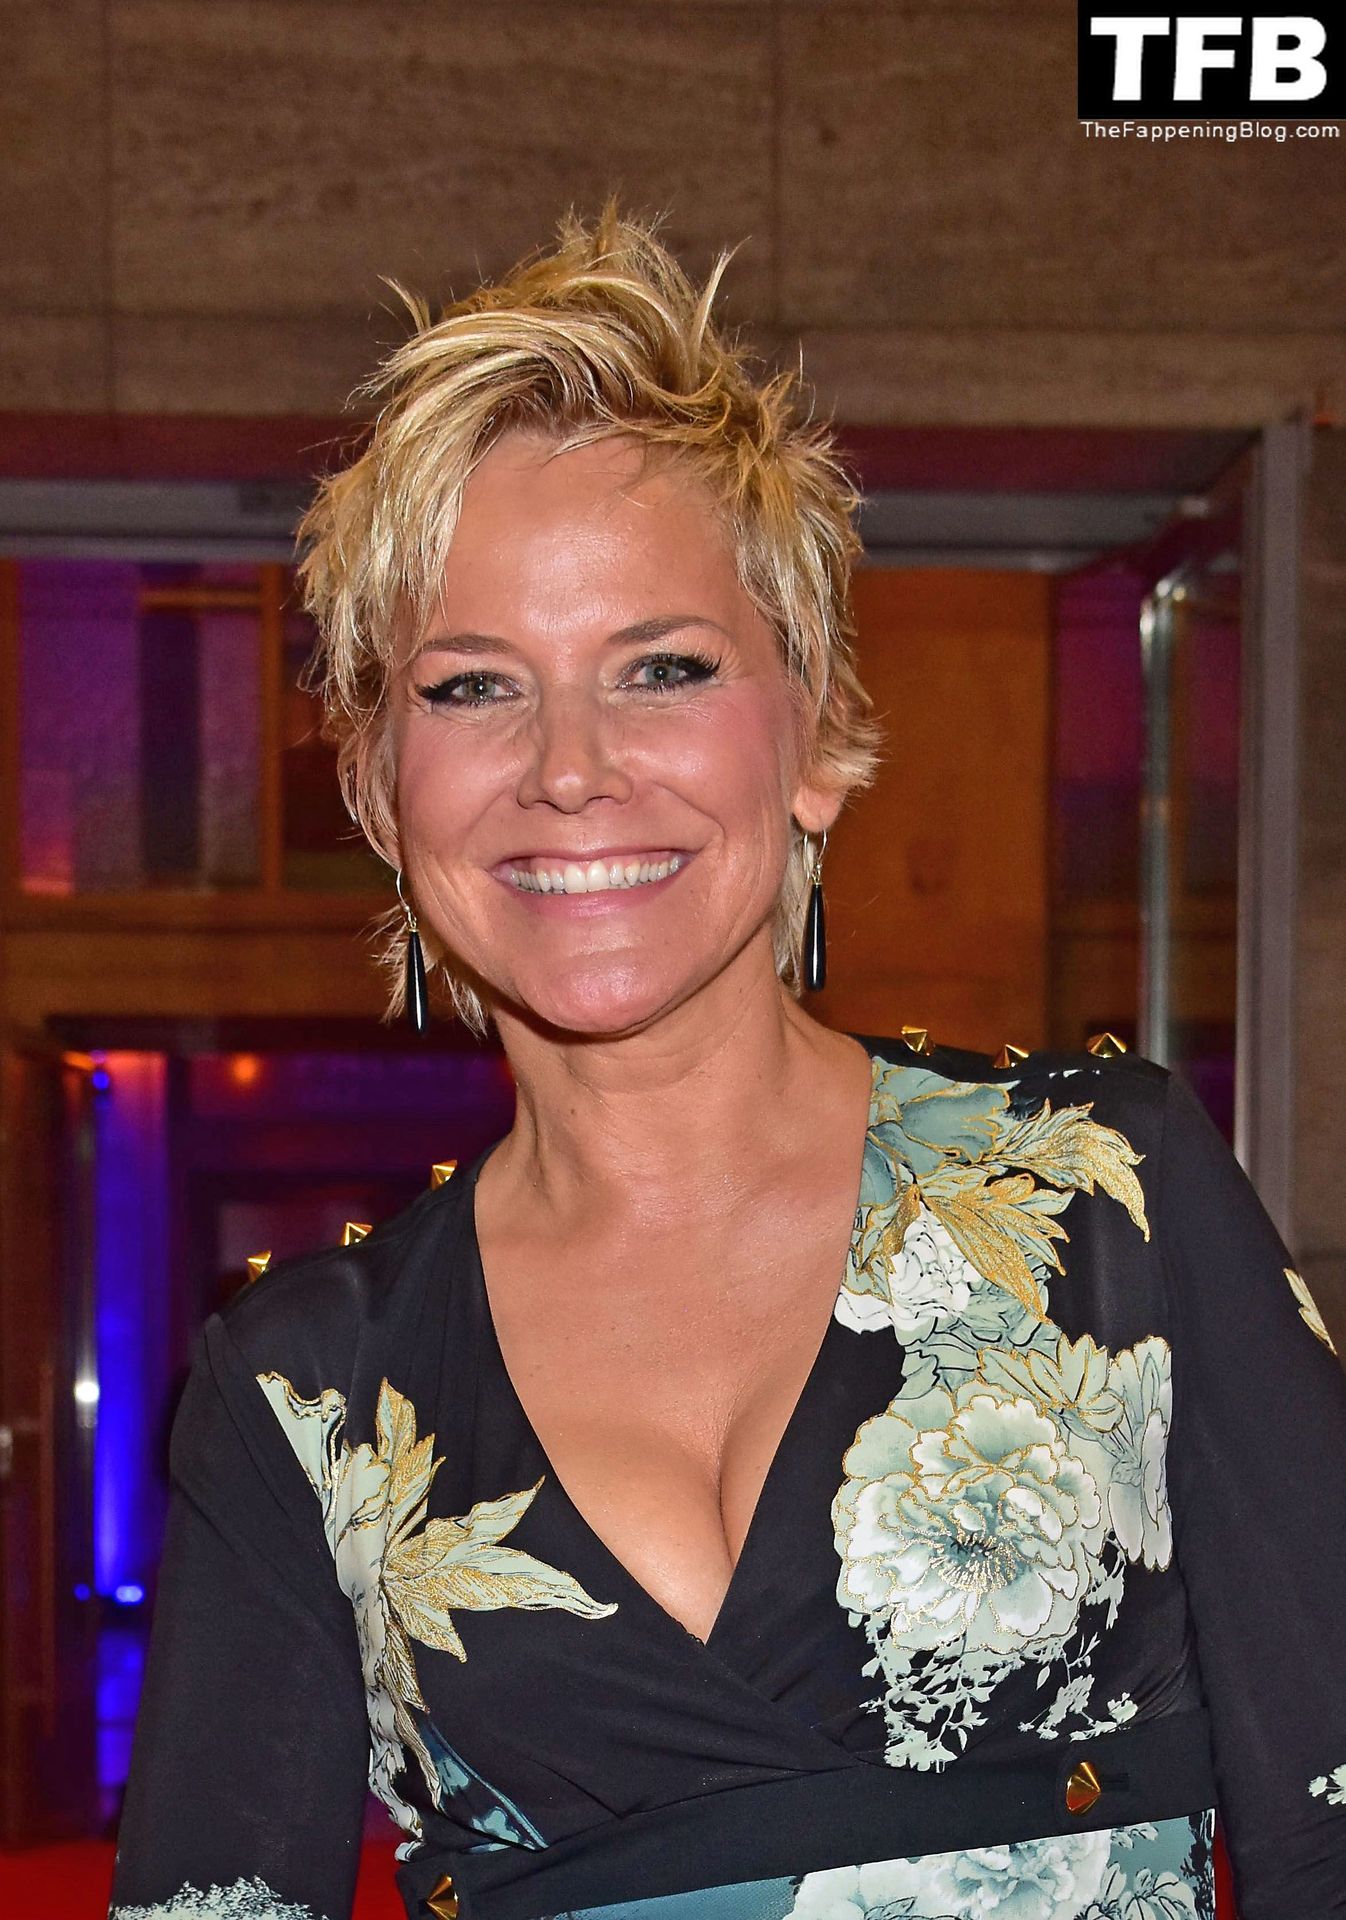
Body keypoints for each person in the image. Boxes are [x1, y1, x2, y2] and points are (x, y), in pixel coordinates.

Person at [108, 201, 1346, 1920]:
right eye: (470, 688)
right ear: (380, 791)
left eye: (664, 668)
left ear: (816, 736)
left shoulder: (1102, 1191)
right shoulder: (307, 1383)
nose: (570, 767)